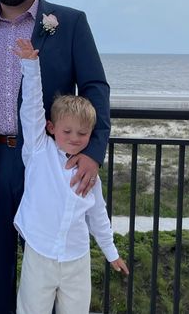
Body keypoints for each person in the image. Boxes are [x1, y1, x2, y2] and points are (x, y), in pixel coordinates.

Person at [0, 0, 110, 313]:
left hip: (50, 160)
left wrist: (93, 152)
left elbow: (95, 87)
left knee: (50, 262)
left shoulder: (70, 22)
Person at [13, 38, 128, 313]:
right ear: (52, 127)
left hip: (77, 258)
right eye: (67, 132)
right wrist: (30, 65)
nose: (75, 139)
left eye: (83, 134)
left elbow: (98, 216)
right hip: (39, 253)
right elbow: (31, 109)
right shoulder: (39, 151)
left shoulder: (89, 173)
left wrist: (111, 253)